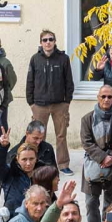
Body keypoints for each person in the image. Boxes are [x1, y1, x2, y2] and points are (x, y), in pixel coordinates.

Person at [26, 29, 76, 174]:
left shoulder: (63, 59)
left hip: (60, 105)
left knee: (61, 136)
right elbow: (30, 81)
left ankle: (63, 164)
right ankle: (39, 163)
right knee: (38, 137)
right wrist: (31, 103)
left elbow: (69, 82)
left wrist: (67, 102)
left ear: (55, 41)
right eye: (45, 40)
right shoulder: (35, 59)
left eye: (50, 39)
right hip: (39, 105)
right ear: (41, 43)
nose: (48, 42)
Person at [81, 85, 112, 222]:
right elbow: (86, 142)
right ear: (98, 97)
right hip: (93, 166)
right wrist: (102, 157)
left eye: (109, 97)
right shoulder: (87, 118)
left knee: (110, 203)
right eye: (103, 96)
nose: (107, 99)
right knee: (90, 203)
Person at [0, 130, 39, 213]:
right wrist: (2, 147)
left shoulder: (41, 173)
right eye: (24, 159)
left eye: (31, 159)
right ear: (17, 158)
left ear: (36, 158)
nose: (28, 163)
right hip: (14, 220)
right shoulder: (10, 174)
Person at [0, 37, 18, 132]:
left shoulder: (5, 63)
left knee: (1, 124)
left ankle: (3, 145)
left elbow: (12, 80)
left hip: (2, 101)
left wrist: (5, 92)